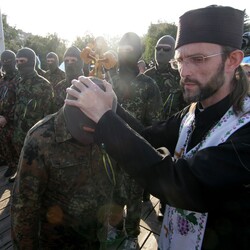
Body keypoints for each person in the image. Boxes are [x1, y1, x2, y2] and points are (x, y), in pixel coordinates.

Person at [65, 5, 250, 250]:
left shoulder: (245, 127)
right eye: (180, 60)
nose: (185, 71)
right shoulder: (193, 112)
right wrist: (113, 108)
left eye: (198, 59)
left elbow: (180, 183)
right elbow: (146, 137)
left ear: (233, 60)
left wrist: (105, 119)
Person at [10, 76, 143, 249]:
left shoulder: (115, 131)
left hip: (96, 235)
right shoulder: (41, 138)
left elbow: (125, 177)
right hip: (55, 241)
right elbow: (24, 206)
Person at [109, 32, 162, 249]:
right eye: (122, 49)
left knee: (133, 197)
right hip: (111, 150)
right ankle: (116, 229)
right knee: (113, 194)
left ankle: (132, 235)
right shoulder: (112, 82)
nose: (125, 54)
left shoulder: (149, 85)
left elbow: (154, 124)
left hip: (135, 151)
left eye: (130, 50)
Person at [144, 35, 187, 216]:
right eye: (158, 48)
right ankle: (144, 194)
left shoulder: (180, 77)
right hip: (148, 130)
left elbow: (186, 107)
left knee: (166, 170)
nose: (160, 52)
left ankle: (163, 204)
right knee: (145, 164)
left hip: (170, 132)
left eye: (166, 49)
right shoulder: (146, 77)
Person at [9, 47, 54, 182]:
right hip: (18, 129)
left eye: (22, 61)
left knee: (36, 160)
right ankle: (20, 172)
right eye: (17, 61)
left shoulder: (44, 85)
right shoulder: (17, 82)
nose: (18, 64)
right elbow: (15, 103)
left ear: (31, 62)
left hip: (35, 131)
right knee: (20, 154)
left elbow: (49, 113)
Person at [0, 50, 19, 177]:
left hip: (15, 121)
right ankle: (12, 166)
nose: (6, 63)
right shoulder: (3, 80)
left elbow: (20, 101)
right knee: (5, 145)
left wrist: (7, 117)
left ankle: (19, 169)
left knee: (17, 147)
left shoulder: (20, 78)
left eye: (9, 60)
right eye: (4, 61)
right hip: (2, 121)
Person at [54, 46, 83, 110]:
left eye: (73, 60)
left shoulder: (88, 86)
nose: (69, 63)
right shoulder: (59, 87)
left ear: (80, 63)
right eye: (66, 60)